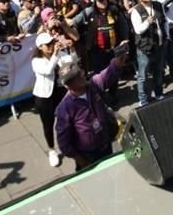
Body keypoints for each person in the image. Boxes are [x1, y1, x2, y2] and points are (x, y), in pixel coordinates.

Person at [54, 50, 128, 171]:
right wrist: (80, 160)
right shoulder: (65, 109)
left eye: (80, 71)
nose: (82, 75)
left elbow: (107, 75)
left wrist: (117, 63)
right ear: (68, 84)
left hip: (105, 145)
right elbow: (64, 142)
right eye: (76, 76)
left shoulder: (92, 86)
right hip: (88, 156)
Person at [30, 32, 72, 167]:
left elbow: (71, 62)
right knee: (48, 124)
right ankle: (52, 150)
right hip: (44, 96)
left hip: (60, 92)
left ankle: (70, 141)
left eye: (52, 43)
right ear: (40, 47)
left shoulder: (59, 54)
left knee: (67, 119)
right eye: (47, 45)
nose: (51, 46)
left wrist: (68, 48)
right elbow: (48, 70)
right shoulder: (36, 61)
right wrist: (55, 55)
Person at [129, 0, 165, 106]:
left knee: (158, 71)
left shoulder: (158, 5)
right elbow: (138, 30)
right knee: (143, 76)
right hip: (145, 48)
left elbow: (163, 22)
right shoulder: (136, 11)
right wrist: (147, 22)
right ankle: (143, 100)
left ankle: (159, 93)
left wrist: (167, 36)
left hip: (159, 45)